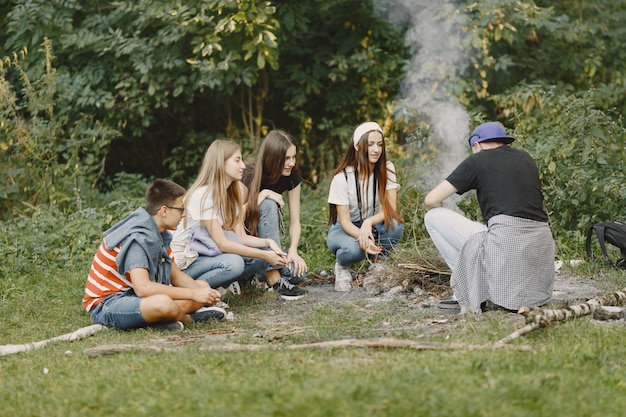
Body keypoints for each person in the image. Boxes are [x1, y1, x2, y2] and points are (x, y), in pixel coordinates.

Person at [424, 121, 555, 314]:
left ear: (476, 145)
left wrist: (440, 207)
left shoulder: (478, 159)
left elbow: (431, 199)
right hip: (541, 247)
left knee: (433, 216)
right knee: (490, 231)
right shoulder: (526, 158)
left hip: (505, 243)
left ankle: (467, 289)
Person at [170, 140, 305, 300]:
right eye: (237, 160)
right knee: (234, 263)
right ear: (221, 163)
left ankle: (221, 285)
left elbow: (241, 237)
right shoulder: (203, 194)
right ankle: (185, 290)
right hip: (183, 266)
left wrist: (269, 244)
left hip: (208, 255)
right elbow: (223, 243)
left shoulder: (231, 193)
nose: (243, 165)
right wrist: (265, 256)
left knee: (268, 261)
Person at [83, 179, 225, 331]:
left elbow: (175, 276)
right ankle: (188, 320)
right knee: (163, 303)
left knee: (202, 287)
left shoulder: (158, 234)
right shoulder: (138, 237)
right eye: (181, 210)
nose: (183, 215)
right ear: (164, 211)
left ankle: (162, 320)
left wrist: (203, 292)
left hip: (131, 296)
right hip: (106, 305)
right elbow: (143, 288)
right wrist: (193, 294)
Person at [327, 121, 405, 291]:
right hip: (344, 228)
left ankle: (378, 263)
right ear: (357, 146)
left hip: (372, 224)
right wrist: (364, 237)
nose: (376, 150)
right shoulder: (342, 178)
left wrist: (368, 223)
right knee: (355, 250)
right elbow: (345, 222)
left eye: (379, 144)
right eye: (370, 144)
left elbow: (390, 209)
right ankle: (342, 266)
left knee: (396, 226)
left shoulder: (387, 169)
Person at [242, 129, 309, 297]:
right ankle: (272, 277)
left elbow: (295, 222)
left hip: (270, 249)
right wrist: (262, 195)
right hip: (245, 245)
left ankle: (262, 274)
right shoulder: (247, 175)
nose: (291, 163)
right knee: (269, 204)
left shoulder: (292, 177)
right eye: (286, 158)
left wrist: (293, 251)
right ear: (273, 157)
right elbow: (233, 218)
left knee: (299, 272)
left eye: (293, 157)